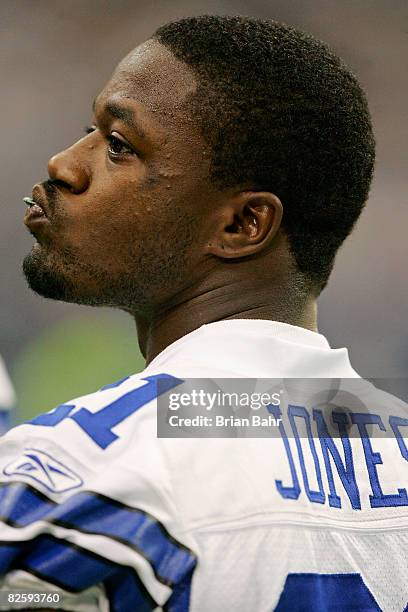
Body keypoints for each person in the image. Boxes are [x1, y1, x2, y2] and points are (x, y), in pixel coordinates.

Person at [0, 15, 406, 612]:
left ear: (243, 225)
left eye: (118, 146)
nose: (64, 164)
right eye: (89, 130)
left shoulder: (89, 473)